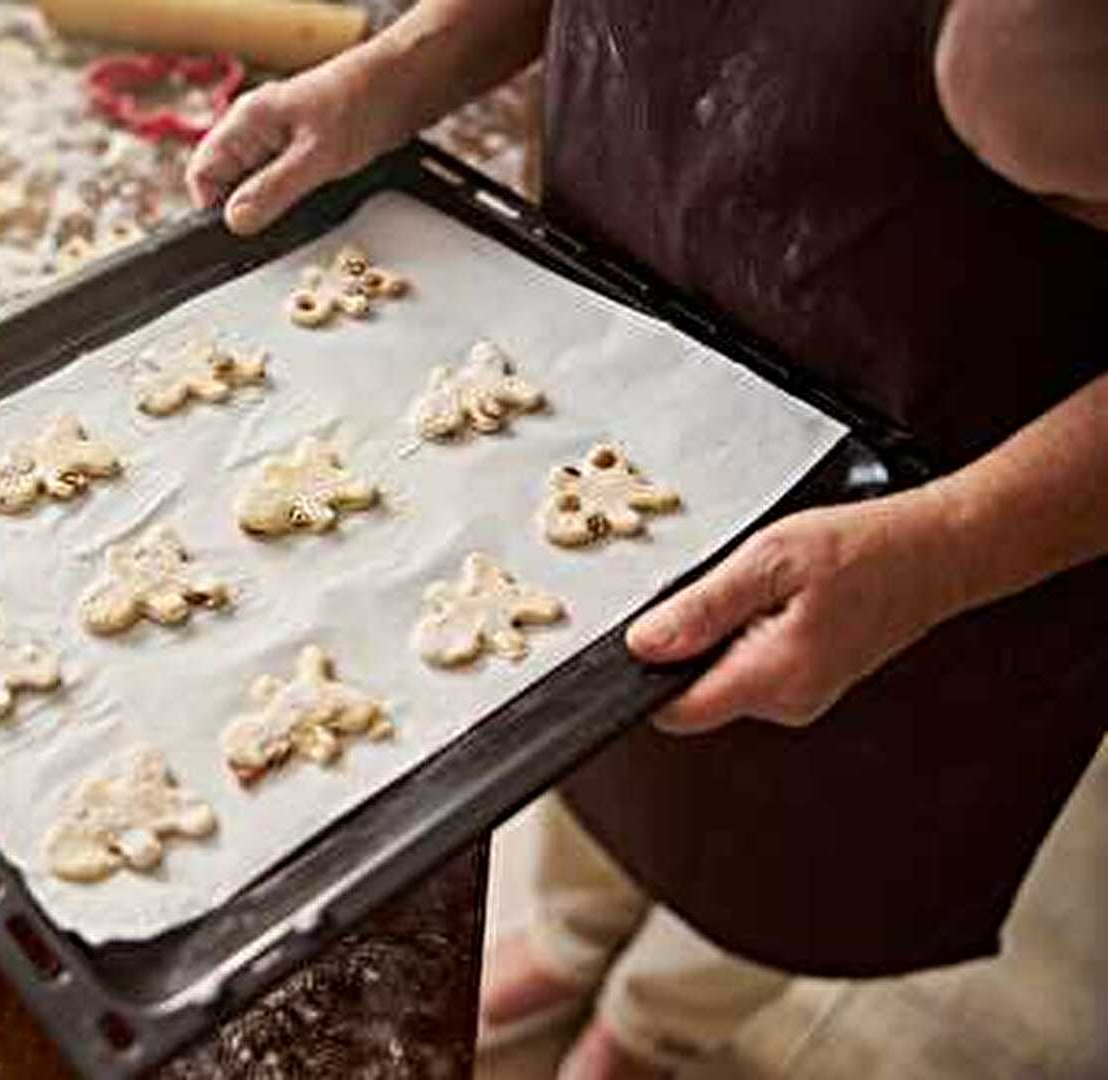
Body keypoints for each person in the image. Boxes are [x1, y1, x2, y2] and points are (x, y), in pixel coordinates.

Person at [186, 1, 1108, 1077]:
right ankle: (578, 941)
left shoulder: (1036, 33)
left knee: (784, 851)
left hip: (933, 526)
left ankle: (658, 1026)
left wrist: (950, 542)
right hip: (613, 398)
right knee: (610, 740)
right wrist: (393, 75)